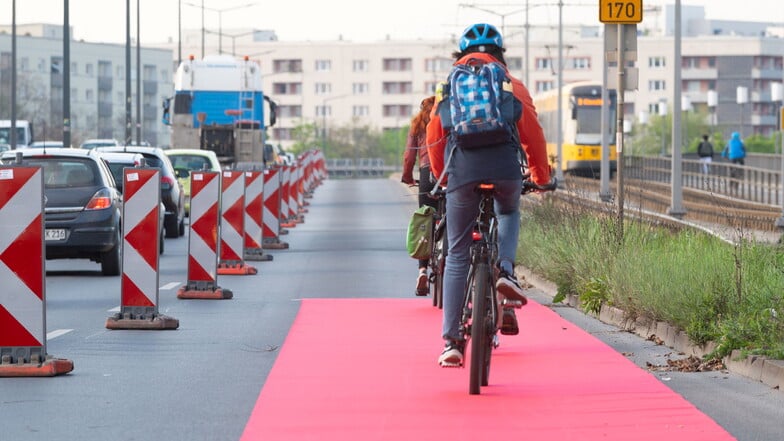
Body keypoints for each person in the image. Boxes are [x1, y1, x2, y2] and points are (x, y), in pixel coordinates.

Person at [426, 23, 552, 367]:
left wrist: (443, 178)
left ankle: (452, 342)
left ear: (460, 55)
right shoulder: (511, 84)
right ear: (500, 55)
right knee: (508, 212)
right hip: (505, 168)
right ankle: (506, 273)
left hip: (462, 172)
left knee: (457, 253)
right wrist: (541, 177)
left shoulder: (448, 85)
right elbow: (533, 135)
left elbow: (434, 135)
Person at [401, 96, 438, 296]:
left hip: (426, 175)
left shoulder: (417, 125)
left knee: (426, 218)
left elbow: (409, 155)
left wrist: (407, 176)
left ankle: (422, 270)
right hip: (449, 174)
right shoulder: (446, 119)